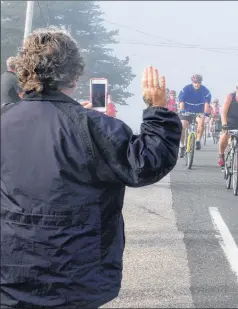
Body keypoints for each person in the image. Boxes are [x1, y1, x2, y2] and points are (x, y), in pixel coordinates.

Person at [0, 27, 181, 308]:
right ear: (74, 76)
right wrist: (158, 111)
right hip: (75, 279)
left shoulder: (5, 118)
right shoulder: (93, 127)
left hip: (9, 275)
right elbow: (146, 163)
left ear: (23, 72)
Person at [177, 74, 211, 157]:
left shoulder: (205, 91)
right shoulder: (186, 89)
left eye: (198, 82)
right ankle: (181, 146)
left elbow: (206, 103)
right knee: (182, 125)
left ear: (200, 82)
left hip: (198, 112)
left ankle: (198, 141)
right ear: (192, 82)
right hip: (187, 111)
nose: (197, 84)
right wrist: (182, 110)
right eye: (195, 82)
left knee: (201, 122)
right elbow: (181, 101)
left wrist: (205, 113)